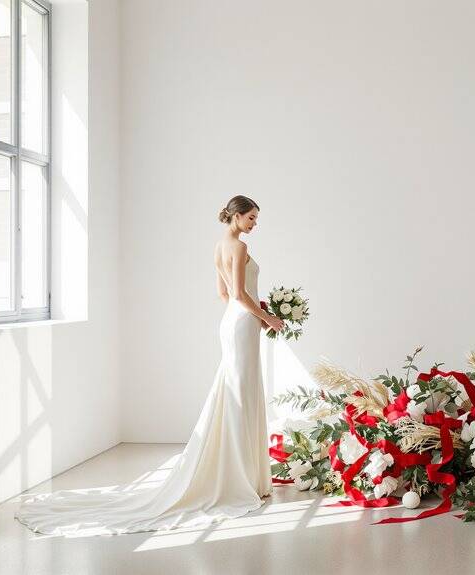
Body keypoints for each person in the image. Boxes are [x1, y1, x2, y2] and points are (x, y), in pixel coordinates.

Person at [14, 195, 284, 535]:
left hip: (232, 322)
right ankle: (241, 478)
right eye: (252, 218)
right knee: (240, 394)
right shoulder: (240, 248)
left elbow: (223, 295)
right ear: (237, 216)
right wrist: (268, 318)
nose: (254, 224)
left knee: (236, 393)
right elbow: (242, 294)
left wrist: (249, 316)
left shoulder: (218, 246)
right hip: (243, 322)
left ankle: (241, 474)